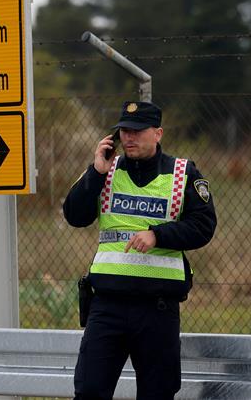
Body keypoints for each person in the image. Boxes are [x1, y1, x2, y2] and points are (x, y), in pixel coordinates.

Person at [63, 101, 216, 400]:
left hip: (157, 309)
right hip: (107, 307)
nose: (128, 137)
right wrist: (95, 172)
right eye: (124, 131)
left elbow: (203, 226)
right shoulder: (105, 170)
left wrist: (158, 235)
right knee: (90, 390)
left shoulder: (183, 173)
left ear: (157, 133)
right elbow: (74, 215)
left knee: (157, 394)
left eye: (137, 131)